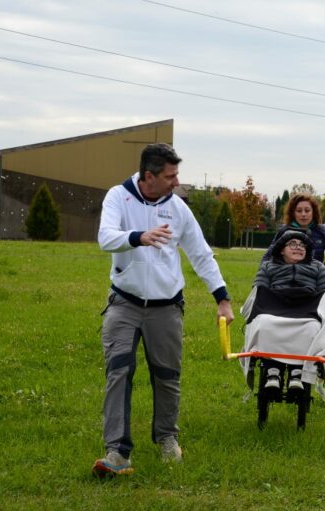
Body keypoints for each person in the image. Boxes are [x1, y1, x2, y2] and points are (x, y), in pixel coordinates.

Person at [93, 142, 234, 478]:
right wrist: (139, 236)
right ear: (149, 176)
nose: (176, 182)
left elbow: (201, 254)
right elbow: (105, 237)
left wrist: (223, 299)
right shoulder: (118, 197)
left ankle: (168, 439)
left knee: (168, 376)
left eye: (176, 175)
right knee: (119, 373)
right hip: (124, 304)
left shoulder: (178, 209)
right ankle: (117, 452)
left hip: (166, 308)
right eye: (170, 176)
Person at [262, 193, 325, 402]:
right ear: (293, 212)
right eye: (299, 210)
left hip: (313, 290)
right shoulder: (284, 232)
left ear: (314, 213)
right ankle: (276, 367)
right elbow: (267, 258)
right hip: (284, 289)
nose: (303, 214)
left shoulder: (323, 232)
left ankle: (323, 382)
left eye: (307, 210)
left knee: (321, 333)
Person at [243, 229, 325, 393]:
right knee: (263, 324)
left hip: (307, 311)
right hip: (273, 308)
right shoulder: (268, 266)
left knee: (312, 328)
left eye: (302, 245)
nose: (298, 247)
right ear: (281, 249)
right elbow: (259, 290)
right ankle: (272, 370)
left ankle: (297, 373)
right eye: (292, 244)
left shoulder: (318, 267)